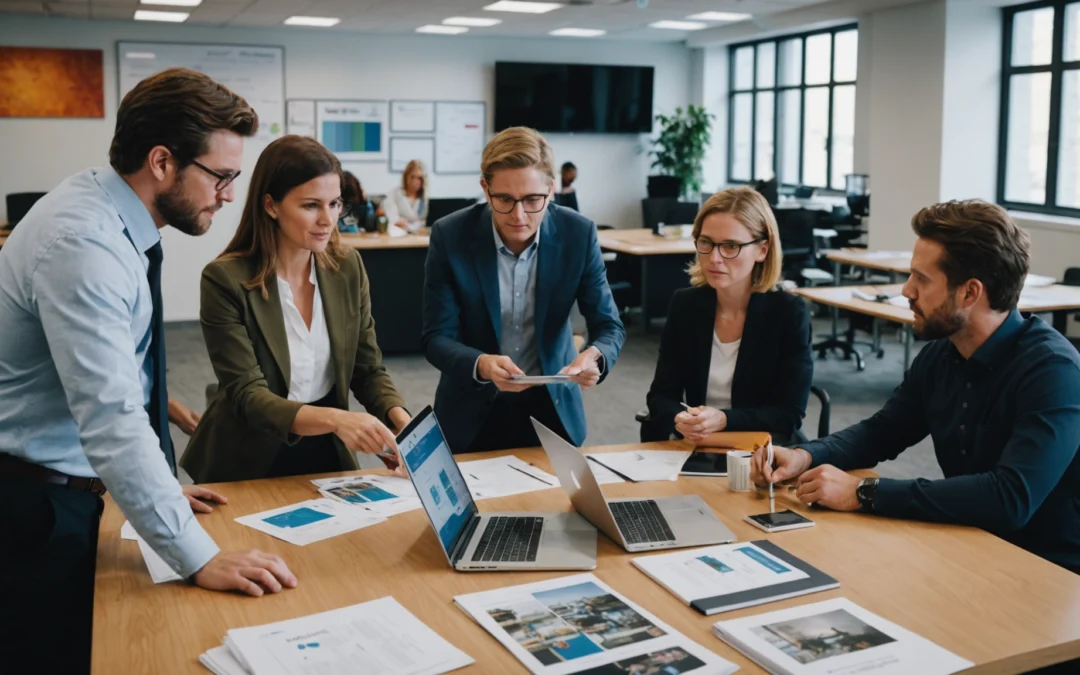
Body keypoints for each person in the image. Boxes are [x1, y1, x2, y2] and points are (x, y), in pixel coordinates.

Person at [0, 68, 297, 674]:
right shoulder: (84, 244)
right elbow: (110, 414)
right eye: (220, 176)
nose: (230, 194)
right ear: (162, 161)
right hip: (35, 510)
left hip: (72, 484)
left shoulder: (106, 212)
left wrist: (155, 492)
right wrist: (197, 556)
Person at [751, 199, 1080, 576]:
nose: (906, 291)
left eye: (921, 279)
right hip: (969, 544)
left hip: (1047, 572)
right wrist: (807, 456)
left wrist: (863, 493)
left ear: (970, 293)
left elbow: (1010, 498)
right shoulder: (942, 354)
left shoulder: (1053, 371)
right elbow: (883, 431)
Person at [181, 135, 411, 484]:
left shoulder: (347, 267)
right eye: (311, 206)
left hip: (326, 451)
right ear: (271, 206)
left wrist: (402, 421)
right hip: (246, 458)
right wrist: (336, 419)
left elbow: (367, 368)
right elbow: (249, 396)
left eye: (335, 204)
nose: (328, 219)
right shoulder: (225, 279)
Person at [422, 126, 625, 453]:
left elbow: (609, 325)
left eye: (533, 200)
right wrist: (483, 364)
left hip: (553, 407)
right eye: (504, 199)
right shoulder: (451, 235)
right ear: (485, 190)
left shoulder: (578, 234)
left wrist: (596, 357)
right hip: (471, 409)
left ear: (552, 189)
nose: (518, 215)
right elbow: (436, 337)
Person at [643, 187, 812, 445]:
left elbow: (787, 414)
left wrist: (723, 419)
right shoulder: (685, 305)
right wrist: (679, 418)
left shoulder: (788, 313)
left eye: (731, 246)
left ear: (762, 250)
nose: (714, 258)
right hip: (696, 447)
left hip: (762, 451)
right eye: (706, 243)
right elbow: (661, 395)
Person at [383, 159, 427, 232]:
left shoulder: (424, 198)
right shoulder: (394, 193)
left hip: (419, 235)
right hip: (399, 234)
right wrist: (399, 221)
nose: (416, 181)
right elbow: (392, 218)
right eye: (412, 177)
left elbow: (424, 220)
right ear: (406, 177)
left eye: (419, 178)